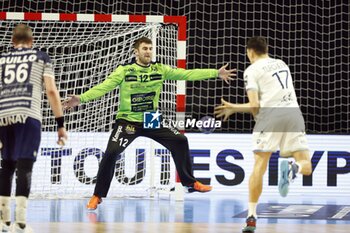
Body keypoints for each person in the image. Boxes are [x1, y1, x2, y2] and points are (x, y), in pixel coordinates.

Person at [62, 36, 236, 210]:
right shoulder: (124, 71)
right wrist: (81, 99)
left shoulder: (159, 69)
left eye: (150, 48)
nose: (148, 51)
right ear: (136, 52)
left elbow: (187, 74)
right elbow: (104, 87)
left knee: (180, 141)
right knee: (111, 153)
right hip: (128, 121)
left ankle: (190, 183)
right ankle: (97, 195)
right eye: (145, 48)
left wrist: (215, 73)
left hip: (150, 119)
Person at [214, 36, 312, 233]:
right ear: (266, 49)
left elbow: (255, 107)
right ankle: (294, 168)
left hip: (270, 118)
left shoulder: (251, 70)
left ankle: (251, 216)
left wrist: (233, 107)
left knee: (259, 166)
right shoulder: (281, 63)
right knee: (307, 166)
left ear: (250, 52)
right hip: (293, 114)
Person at [0, 24, 68, 233]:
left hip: (3, 116)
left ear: (12, 41)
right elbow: (51, 91)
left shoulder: (1, 59)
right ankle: (20, 224)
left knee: (7, 165)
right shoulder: (41, 58)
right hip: (28, 115)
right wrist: (60, 124)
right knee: (24, 166)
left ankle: (3, 222)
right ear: (32, 41)